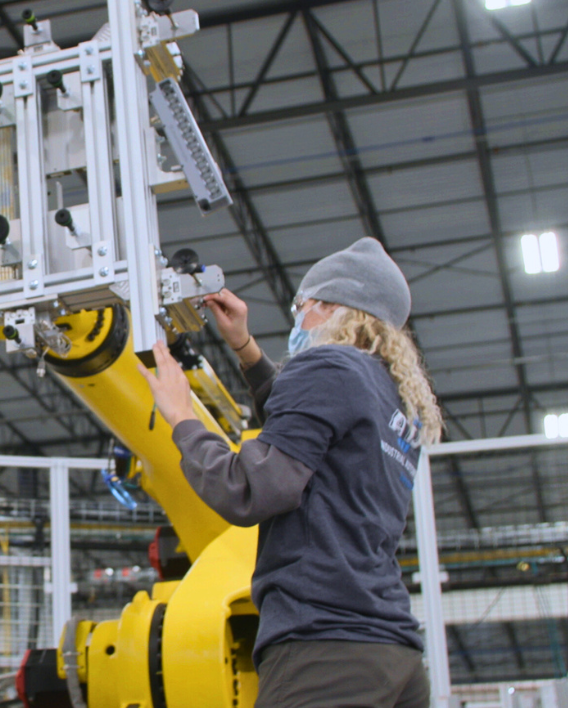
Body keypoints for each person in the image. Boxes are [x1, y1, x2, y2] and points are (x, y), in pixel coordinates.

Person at [140, 238, 443, 708]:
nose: (297, 319)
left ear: (332, 308)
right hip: (394, 653)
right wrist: (243, 346)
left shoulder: (327, 367)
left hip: (324, 653)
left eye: (300, 305)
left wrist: (183, 419)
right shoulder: (395, 400)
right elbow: (310, 427)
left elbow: (249, 491)